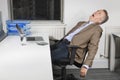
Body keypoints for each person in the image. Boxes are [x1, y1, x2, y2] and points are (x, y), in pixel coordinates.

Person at [51, 9, 109, 77]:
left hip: (69, 50)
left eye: (99, 13)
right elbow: (71, 36)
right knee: (41, 52)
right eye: (97, 11)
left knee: (45, 57)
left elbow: (93, 47)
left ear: (100, 20)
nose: (96, 12)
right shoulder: (81, 23)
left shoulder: (97, 30)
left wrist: (86, 66)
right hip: (61, 43)